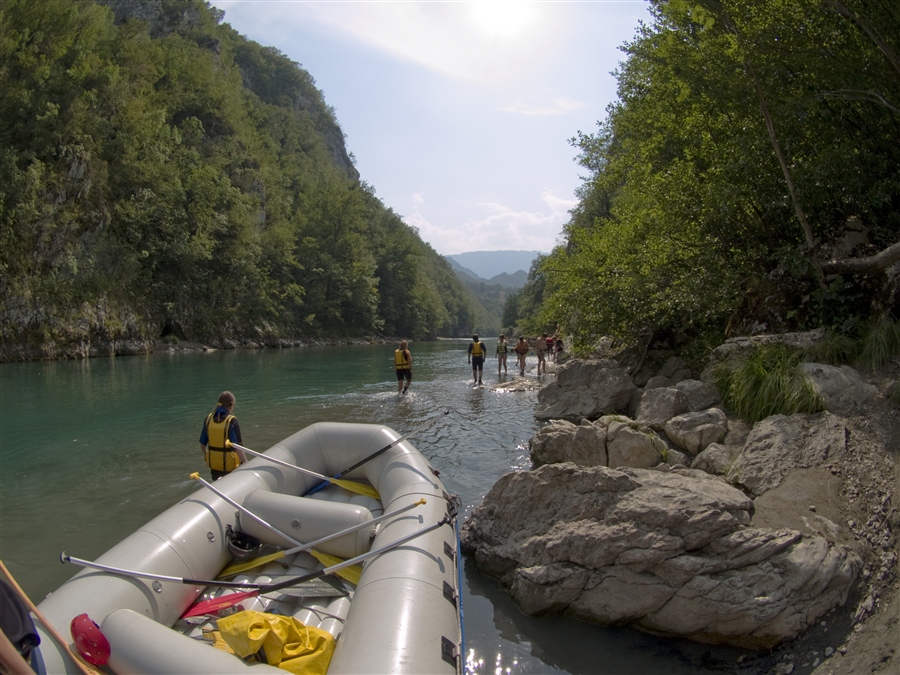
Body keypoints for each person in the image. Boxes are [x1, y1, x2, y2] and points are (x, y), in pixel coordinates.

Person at [199, 391, 246, 481]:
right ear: (231, 405)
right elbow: (237, 447)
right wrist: (245, 463)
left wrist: (207, 456)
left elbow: (202, 444)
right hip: (230, 468)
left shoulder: (208, 419)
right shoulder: (231, 421)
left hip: (214, 467)